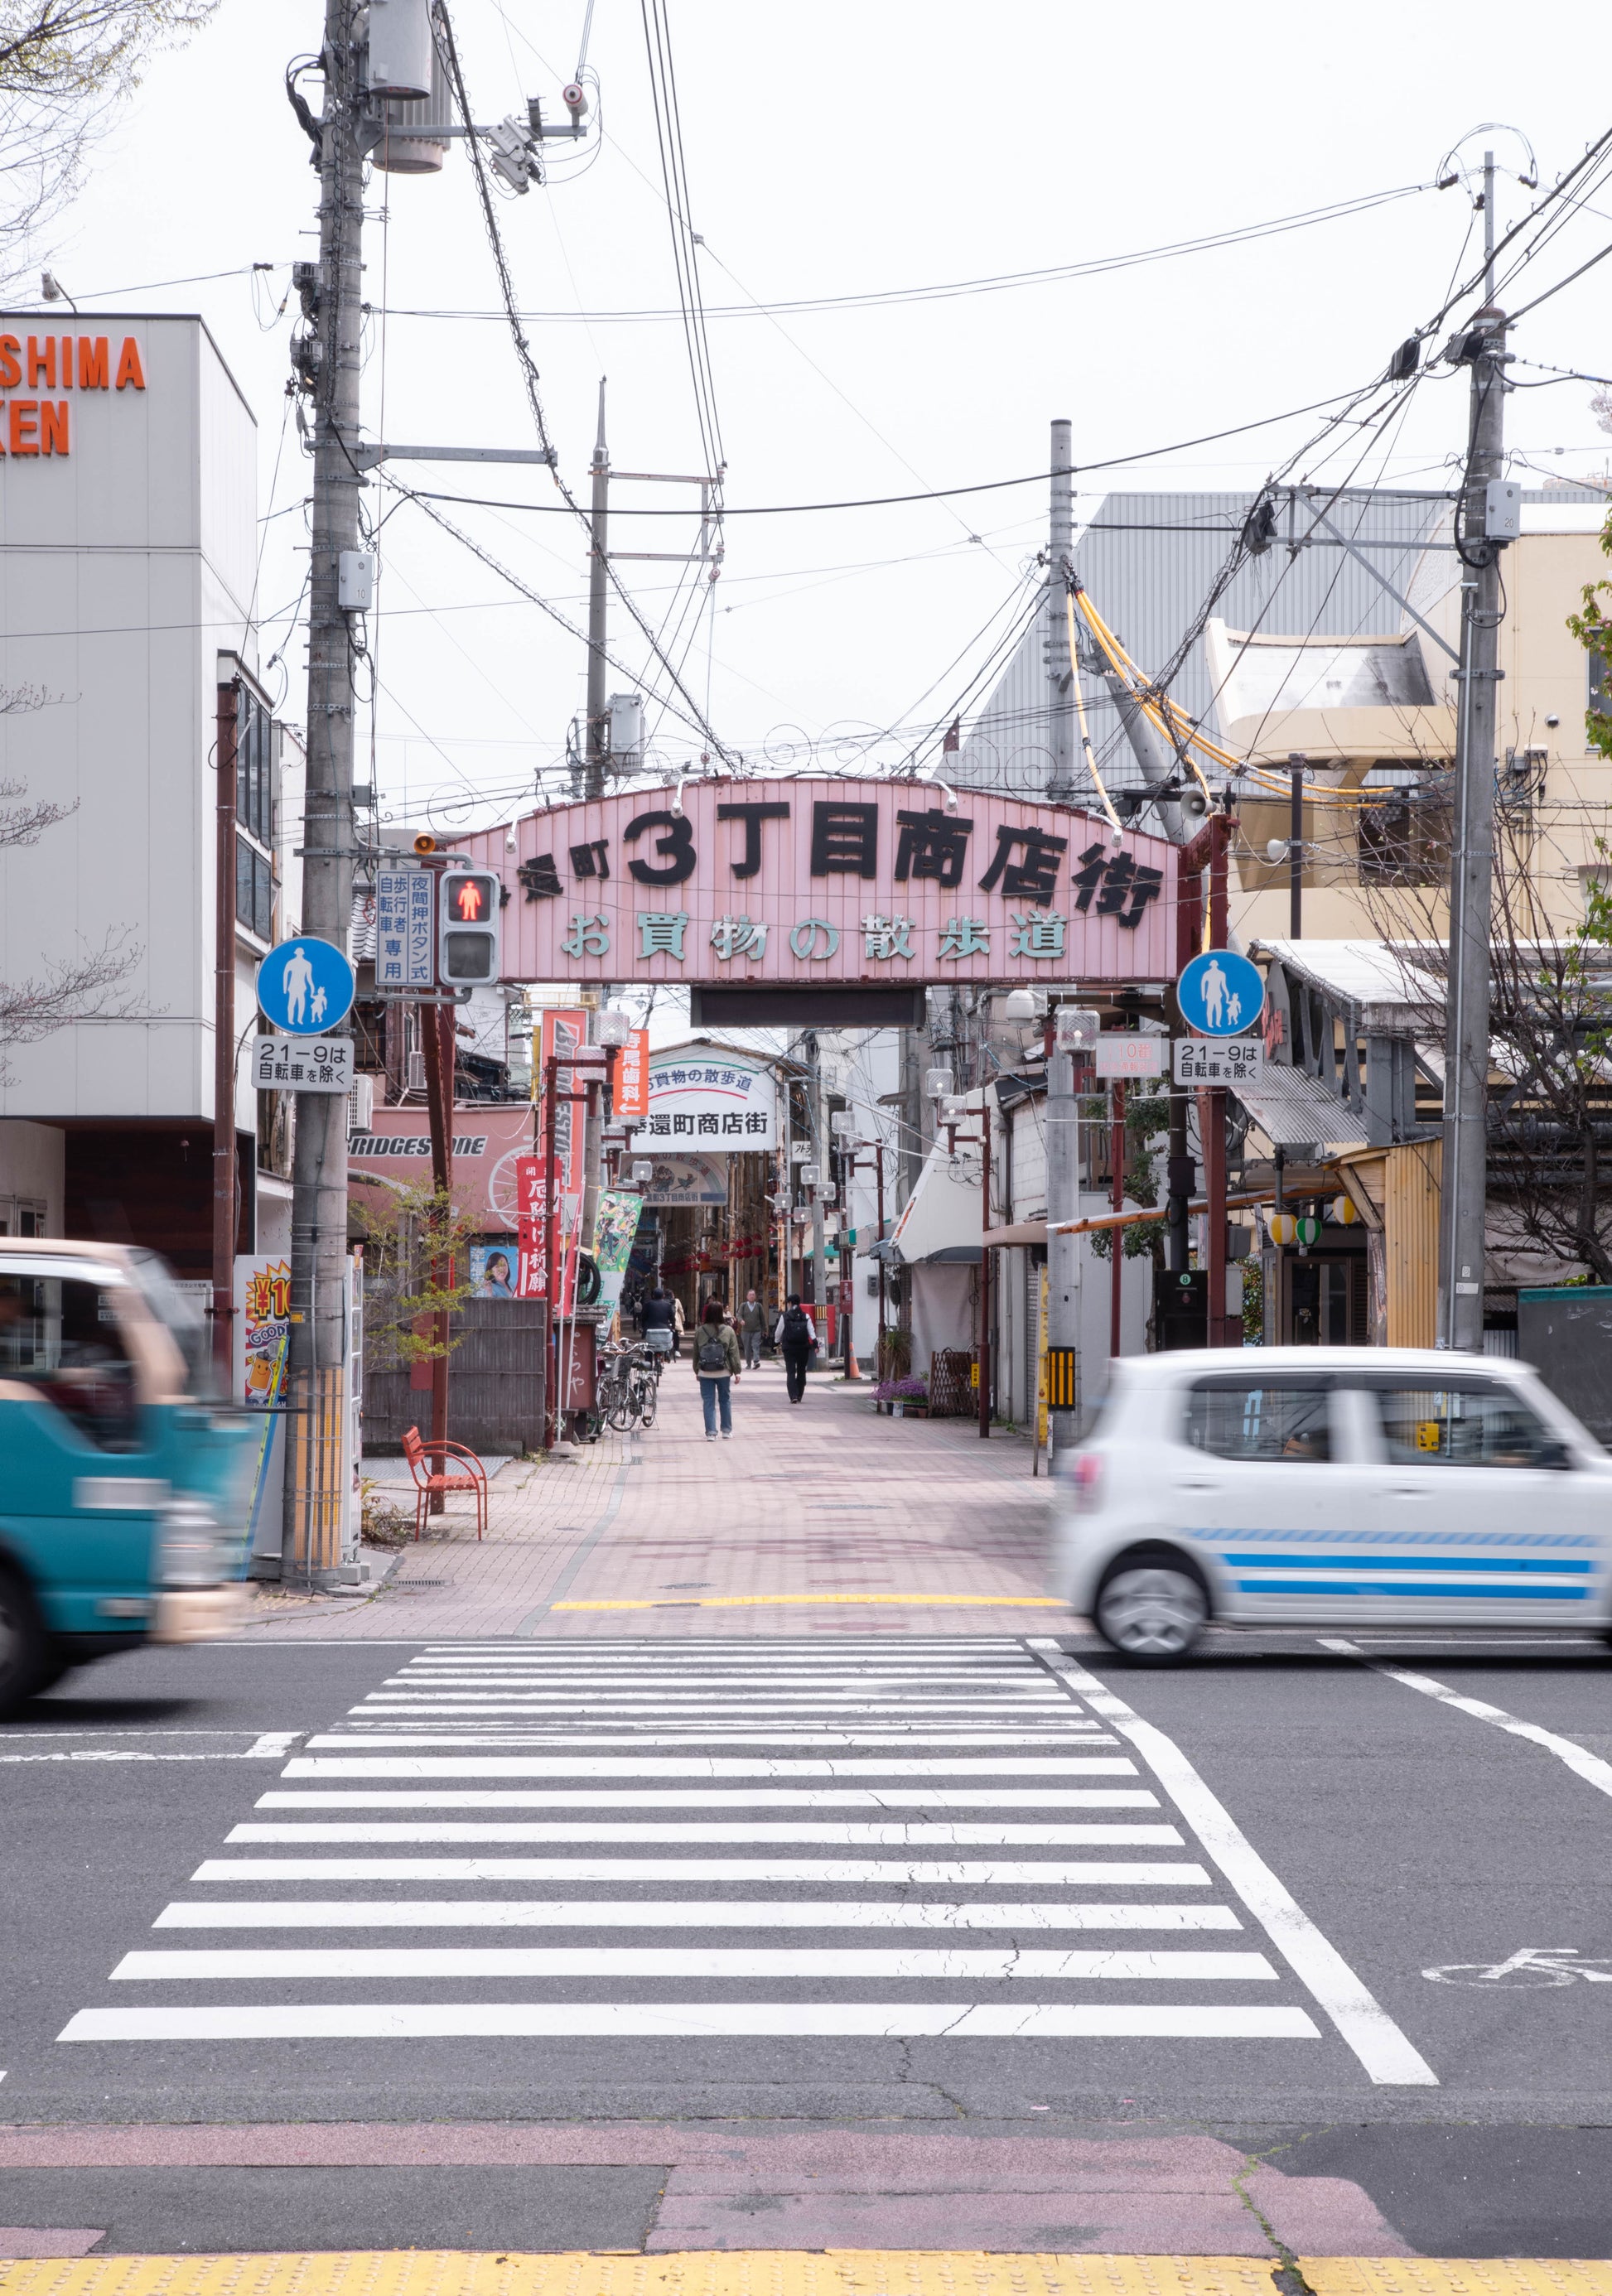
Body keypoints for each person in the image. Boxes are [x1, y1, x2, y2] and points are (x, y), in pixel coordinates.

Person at [693, 1296, 742, 1440]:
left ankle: (711, 1433)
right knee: (725, 1400)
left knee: (708, 1402)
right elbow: (733, 1352)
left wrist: (697, 1370)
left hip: (705, 1371)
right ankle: (726, 1431)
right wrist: (737, 1372)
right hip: (724, 1371)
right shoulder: (728, 1331)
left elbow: (696, 1353)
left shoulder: (700, 1331)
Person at [775, 1292, 818, 1405]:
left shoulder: (785, 1317)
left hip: (789, 1348)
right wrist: (815, 1344)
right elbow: (811, 1332)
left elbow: (778, 1332)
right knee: (801, 1371)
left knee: (791, 1372)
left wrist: (776, 1341)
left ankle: (793, 1395)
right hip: (803, 1348)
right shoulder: (806, 1316)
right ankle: (799, 1395)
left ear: (790, 1303)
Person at [640, 1283, 678, 1361]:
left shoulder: (648, 1304)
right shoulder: (667, 1305)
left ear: (653, 1296)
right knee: (669, 1340)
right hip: (665, 1329)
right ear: (663, 1296)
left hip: (650, 1330)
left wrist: (643, 1327)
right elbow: (672, 1318)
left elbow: (643, 1318)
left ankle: (649, 1364)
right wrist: (673, 1327)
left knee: (649, 1348)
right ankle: (667, 1352)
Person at [736, 1287, 766, 1370]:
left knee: (755, 1345)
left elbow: (762, 1319)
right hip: (746, 1331)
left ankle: (756, 1361)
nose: (752, 1296)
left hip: (756, 1330)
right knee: (747, 1348)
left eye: (753, 1295)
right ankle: (748, 1364)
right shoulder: (743, 1305)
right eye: (750, 1295)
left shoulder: (759, 1306)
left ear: (755, 1296)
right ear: (747, 1297)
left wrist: (765, 1330)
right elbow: (739, 1315)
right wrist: (741, 1320)